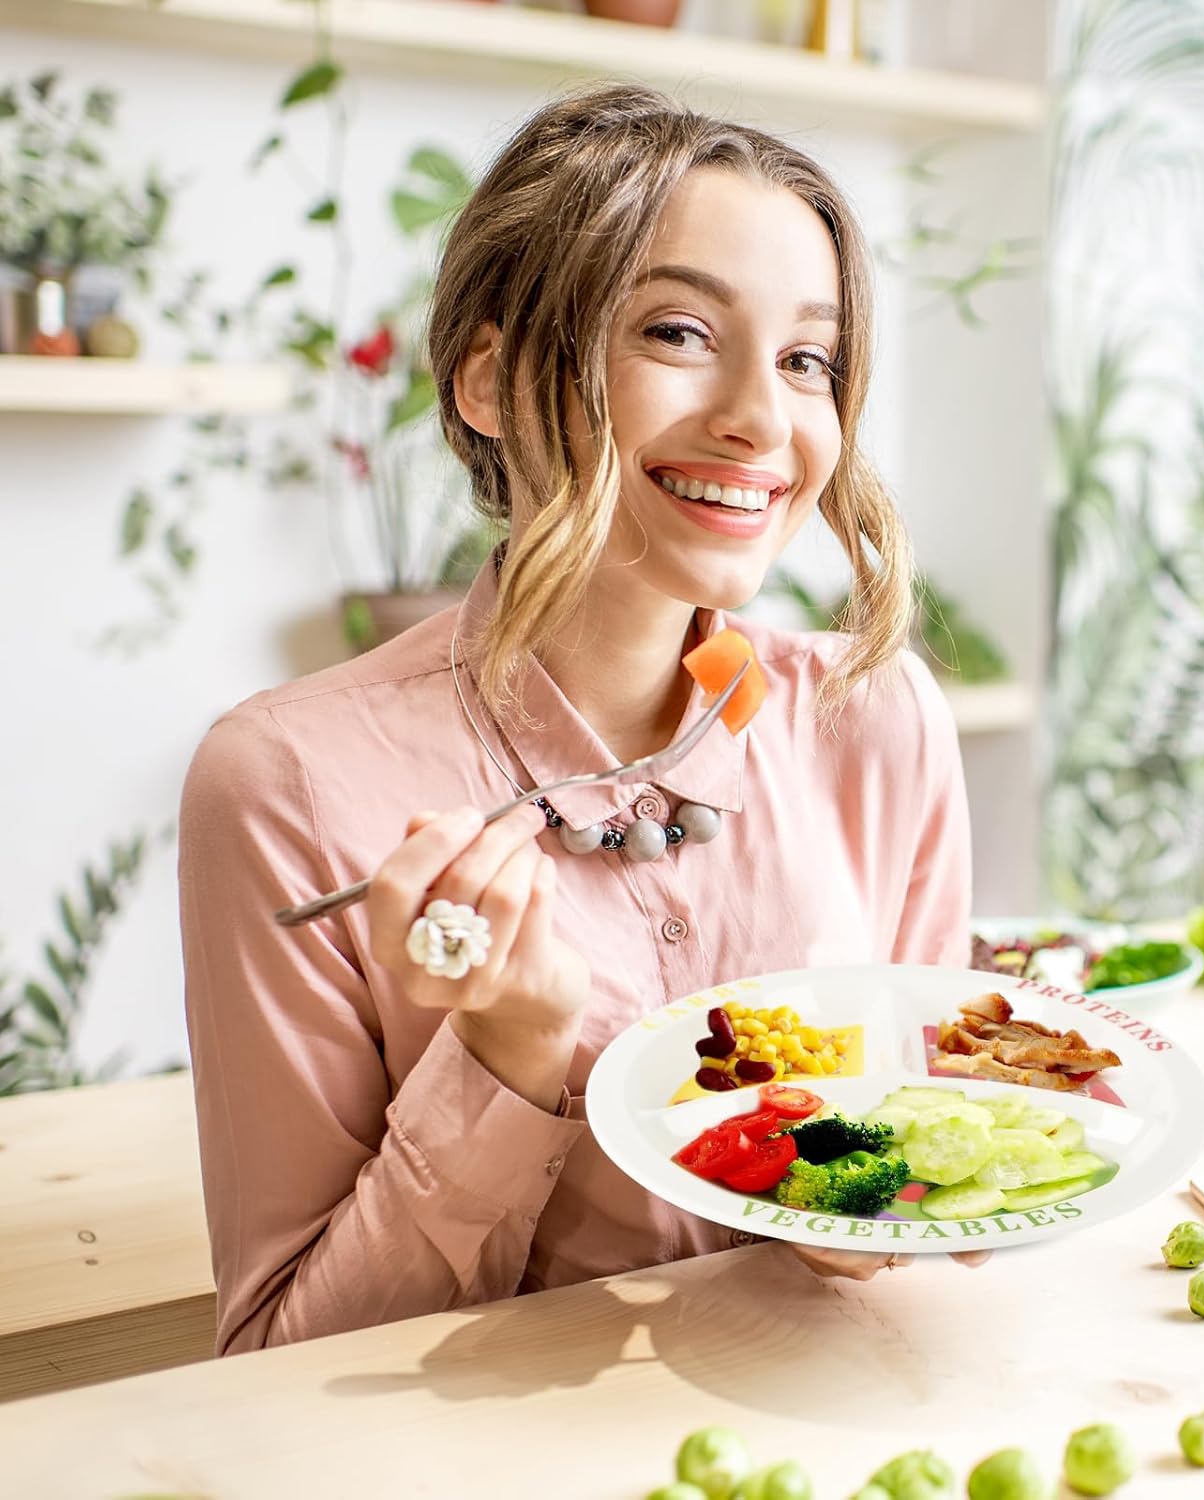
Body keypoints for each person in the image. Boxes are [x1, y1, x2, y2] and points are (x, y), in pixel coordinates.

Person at [179, 82, 976, 1357]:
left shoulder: (872, 721)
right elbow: (279, 1366)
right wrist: (506, 1057)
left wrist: (876, 1198)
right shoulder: (286, 782)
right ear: (492, 381)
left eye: (807, 360)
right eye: (676, 332)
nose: (763, 421)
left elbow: (928, 1209)